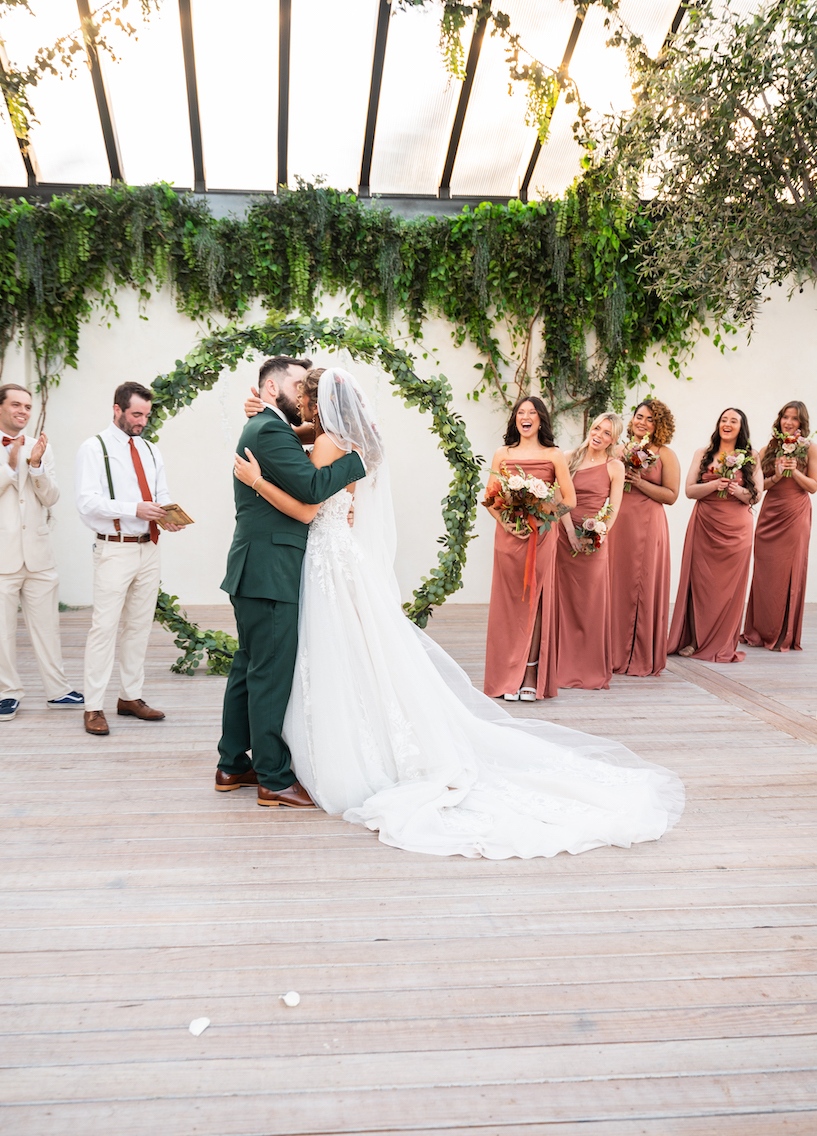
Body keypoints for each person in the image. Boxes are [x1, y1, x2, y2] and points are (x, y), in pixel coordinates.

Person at [232, 368, 683, 860]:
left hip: (323, 558)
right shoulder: (341, 440)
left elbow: (309, 502)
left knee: (320, 654)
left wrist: (258, 478)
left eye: (305, 397)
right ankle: (269, 756)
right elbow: (324, 461)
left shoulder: (325, 446)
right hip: (335, 559)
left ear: (316, 404)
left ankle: (294, 758)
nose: (300, 403)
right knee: (343, 652)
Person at [216, 356, 367, 807]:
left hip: (258, 567)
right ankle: (273, 777)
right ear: (269, 388)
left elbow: (302, 441)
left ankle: (231, 763)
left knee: (248, 667)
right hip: (271, 569)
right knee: (269, 673)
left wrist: (319, 432)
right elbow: (312, 488)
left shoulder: (270, 427)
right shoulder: (268, 429)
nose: (304, 393)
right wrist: (358, 459)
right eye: (298, 384)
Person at [0, 384, 82, 721]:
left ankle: (57, 690)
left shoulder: (40, 446)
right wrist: (10, 467)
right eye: (16, 405)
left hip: (38, 554)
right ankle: (9, 693)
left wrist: (37, 466)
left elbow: (51, 497)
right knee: (2, 629)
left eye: (28, 406)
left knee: (47, 626)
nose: (23, 411)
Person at [75, 381, 184, 737]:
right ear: (117, 409)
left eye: (146, 415)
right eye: (136, 414)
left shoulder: (151, 450)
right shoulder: (94, 448)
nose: (142, 422)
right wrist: (133, 508)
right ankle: (93, 706)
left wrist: (168, 515)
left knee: (139, 625)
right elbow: (87, 503)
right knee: (104, 628)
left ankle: (130, 697)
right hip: (114, 547)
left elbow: (161, 493)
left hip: (149, 547)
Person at [482, 396, 574, 702]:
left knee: (534, 601)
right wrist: (507, 524)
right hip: (509, 537)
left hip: (541, 537)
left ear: (540, 419)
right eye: (521, 412)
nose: (526, 417)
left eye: (532, 413)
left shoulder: (554, 455)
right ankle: (507, 675)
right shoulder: (502, 453)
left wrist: (547, 518)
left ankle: (531, 673)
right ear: (515, 419)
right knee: (509, 606)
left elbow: (569, 502)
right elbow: (490, 499)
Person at [668, 407, 763, 663]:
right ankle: (695, 640)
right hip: (705, 524)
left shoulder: (751, 455)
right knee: (701, 584)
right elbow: (689, 491)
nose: (727, 423)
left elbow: (756, 495)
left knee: (728, 588)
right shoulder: (703, 453)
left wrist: (735, 489)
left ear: (741, 428)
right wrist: (713, 484)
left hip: (736, 530)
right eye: (724, 419)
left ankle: (720, 641)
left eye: (734, 420)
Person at [609, 399, 680, 677]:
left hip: (649, 524)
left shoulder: (665, 454)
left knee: (644, 584)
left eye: (650, 419)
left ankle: (639, 654)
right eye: (639, 416)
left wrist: (640, 482)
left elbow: (672, 496)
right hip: (619, 522)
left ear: (659, 424)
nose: (642, 422)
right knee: (617, 584)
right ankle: (612, 651)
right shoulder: (618, 449)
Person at [556, 413, 625, 690]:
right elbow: (558, 496)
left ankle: (588, 666)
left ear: (615, 439)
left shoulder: (615, 467)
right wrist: (570, 532)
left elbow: (615, 508)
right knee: (563, 603)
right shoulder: (568, 457)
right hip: (563, 536)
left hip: (595, 542)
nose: (599, 435)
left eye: (607, 433)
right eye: (597, 428)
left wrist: (599, 535)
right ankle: (560, 666)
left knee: (590, 604)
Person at [743, 400, 816, 651]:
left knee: (790, 571)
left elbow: (813, 486)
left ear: (802, 423)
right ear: (780, 419)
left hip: (795, 513)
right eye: (786, 416)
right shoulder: (767, 450)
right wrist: (775, 475)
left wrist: (794, 471)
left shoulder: (810, 449)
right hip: (770, 514)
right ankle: (758, 630)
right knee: (765, 572)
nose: (789, 422)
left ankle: (783, 632)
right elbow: (757, 487)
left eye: (795, 418)